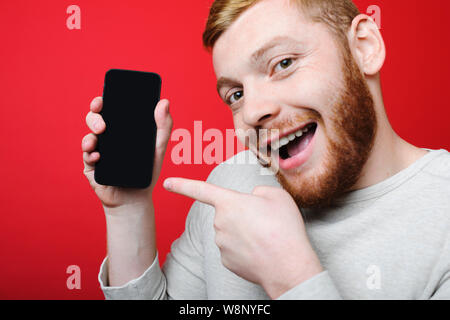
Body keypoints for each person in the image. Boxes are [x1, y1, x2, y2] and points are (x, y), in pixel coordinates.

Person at [81, 0, 450, 300]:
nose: (254, 111)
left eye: (283, 64)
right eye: (236, 95)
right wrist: (127, 212)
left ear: (364, 48)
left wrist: (289, 275)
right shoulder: (229, 185)